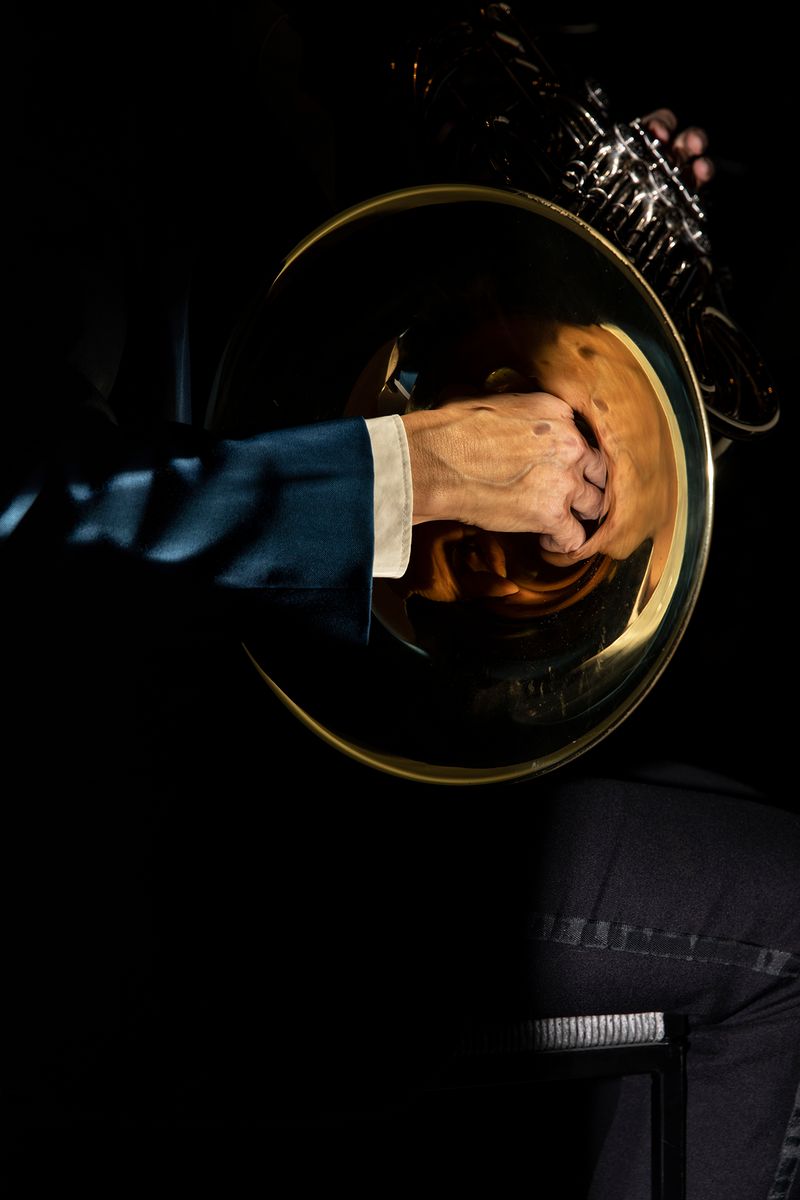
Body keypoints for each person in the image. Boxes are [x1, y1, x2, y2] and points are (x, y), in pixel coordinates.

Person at [3, 6, 797, 1200]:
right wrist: (414, 469)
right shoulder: (75, 111)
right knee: (787, 913)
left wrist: (585, 244)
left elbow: (302, 371)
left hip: (293, 772)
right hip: (160, 871)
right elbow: (36, 515)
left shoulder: (279, 95)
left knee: (735, 812)